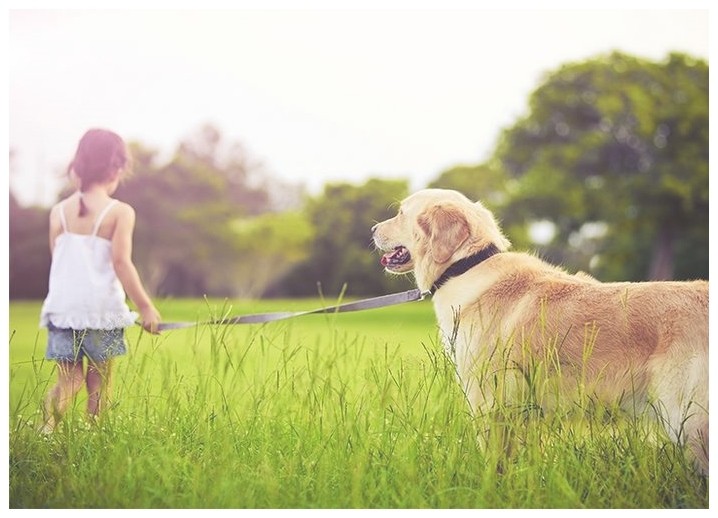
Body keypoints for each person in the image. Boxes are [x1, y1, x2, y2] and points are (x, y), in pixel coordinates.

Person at [39, 128, 162, 433]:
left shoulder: (58, 212)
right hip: (101, 312)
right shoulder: (119, 212)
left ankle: (45, 432)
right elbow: (121, 263)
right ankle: (95, 437)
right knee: (99, 383)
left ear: (78, 166)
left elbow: (59, 260)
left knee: (68, 381)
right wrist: (145, 307)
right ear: (116, 169)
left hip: (62, 311)